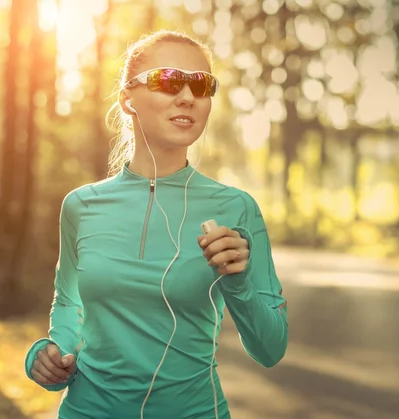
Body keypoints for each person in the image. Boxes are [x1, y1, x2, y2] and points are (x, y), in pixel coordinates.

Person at [23, 29, 288, 419]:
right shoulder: (81, 205)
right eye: (167, 80)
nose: (187, 96)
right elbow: (69, 303)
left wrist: (239, 284)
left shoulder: (236, 208)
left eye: (201, 85)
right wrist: (49, 356)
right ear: (127, 100)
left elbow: (271, 350)